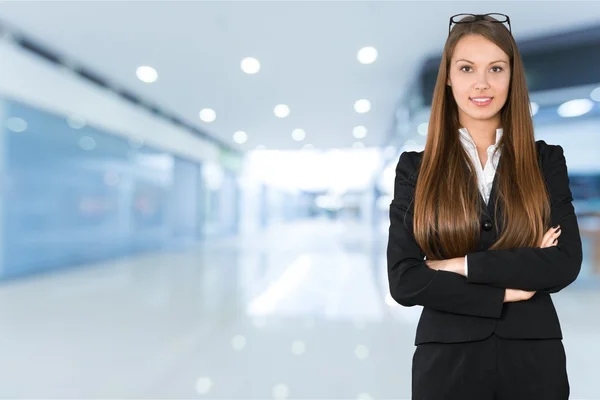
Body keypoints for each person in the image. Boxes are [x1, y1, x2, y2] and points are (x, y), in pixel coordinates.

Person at [386, 13, 583, 400]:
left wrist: (456, 264)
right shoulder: (415, 169)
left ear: (512, 76)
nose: (482, 82)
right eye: (466, 68)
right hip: (446, 360)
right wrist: (507, 290)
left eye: (496, 68)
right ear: (448, 77)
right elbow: (404, 281)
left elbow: (563, 262)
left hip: (534, 358)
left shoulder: (545, 161)